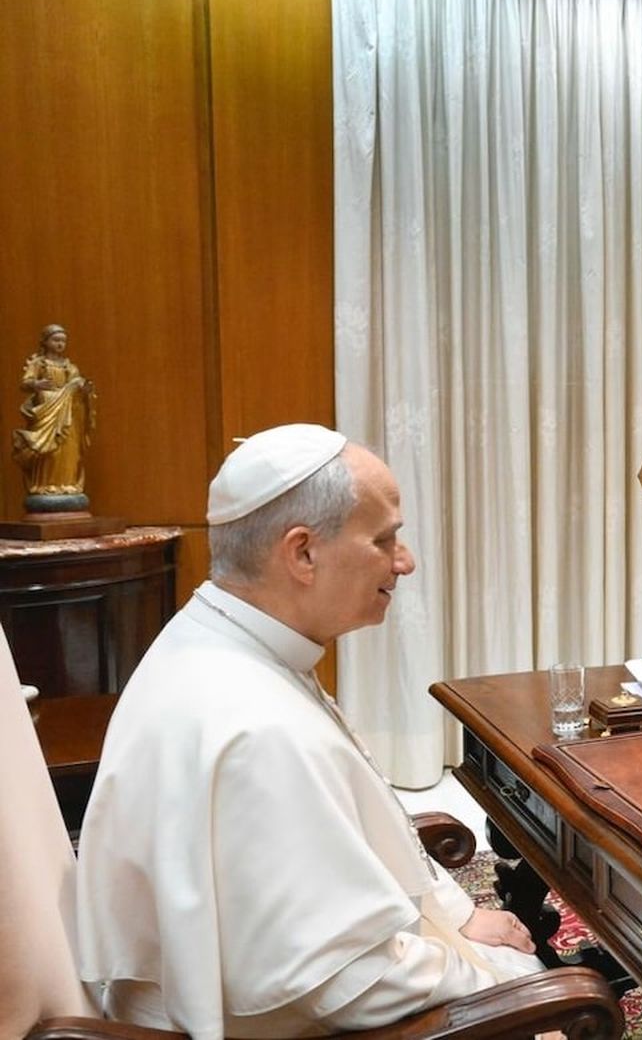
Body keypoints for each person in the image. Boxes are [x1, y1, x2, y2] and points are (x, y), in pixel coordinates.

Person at [75, 424, 540, 1039]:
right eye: (384, 539)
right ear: (302, 553)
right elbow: (347, 979)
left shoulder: (223, 635)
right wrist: (500, 988)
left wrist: (456, 915)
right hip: (279, 1021)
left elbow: (352, 837)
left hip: (288, 985)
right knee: (551, 992)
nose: (405, 561)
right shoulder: (254, 725)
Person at [13, 323, 96, 512]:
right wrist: (37, 384)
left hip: (68, 416)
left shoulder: (70, 366)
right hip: (48, 411)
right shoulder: (39, 363)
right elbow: (25, 384)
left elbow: (77, 388)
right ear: (45, 341)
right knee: (51, 451)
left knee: (67, 449)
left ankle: (66, 484)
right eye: (56, 340)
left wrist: (85, 390)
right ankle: (46, 485)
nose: (60, 344)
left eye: (63, 341)